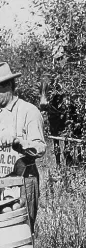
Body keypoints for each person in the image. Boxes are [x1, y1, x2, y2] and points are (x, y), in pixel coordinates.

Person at [0, 62, 46, 232]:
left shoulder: (28, 111)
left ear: (9, 86)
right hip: (1, 182)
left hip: (23, 182)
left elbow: (40, 148)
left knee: (22, 235)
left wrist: (17, 142)